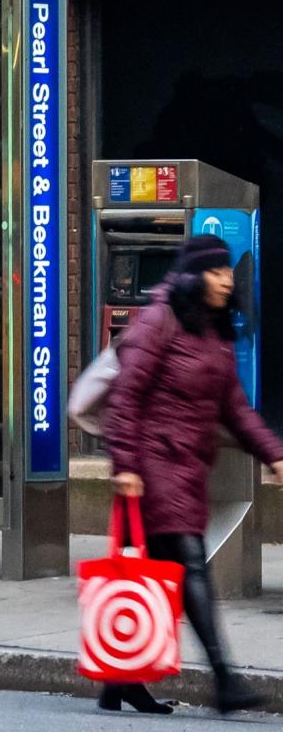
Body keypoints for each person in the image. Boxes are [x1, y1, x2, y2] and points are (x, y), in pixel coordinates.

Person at [102, 233, 283, 715]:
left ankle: (120, 679)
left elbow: (236, 410)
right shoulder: (159, 321)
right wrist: (124, 465)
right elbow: (126, 398)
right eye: (217, 271)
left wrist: (274, 455)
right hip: (154, 463)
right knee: (191, 564)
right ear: (194, 276)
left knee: (164, 577)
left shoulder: (213, 332)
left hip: (187, 467)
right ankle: (225, 680)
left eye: (227, 272)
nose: (227, 280)